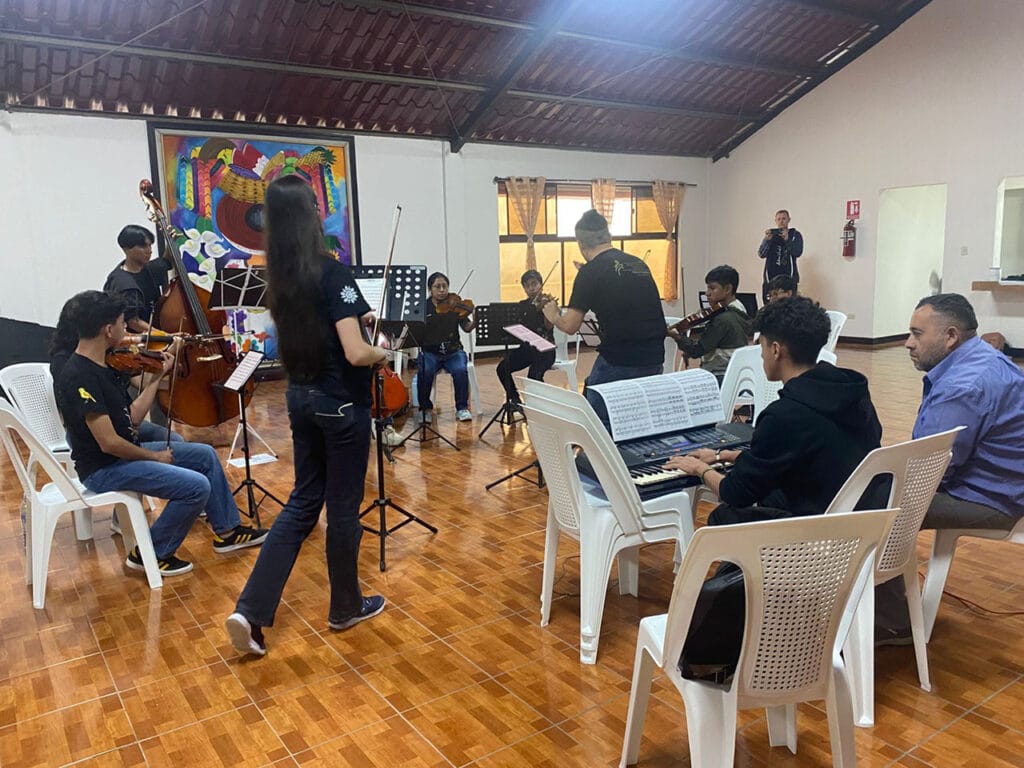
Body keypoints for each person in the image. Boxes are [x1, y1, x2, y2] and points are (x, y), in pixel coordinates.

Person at [226, 175, 390, 657]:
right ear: (310, 214)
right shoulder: (332, 272)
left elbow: (323, 326)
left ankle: (250, 611)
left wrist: (354, 321)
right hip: (340, 403)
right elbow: (356, 353)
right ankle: (345, 607)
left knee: (301, 504)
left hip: (300, 397)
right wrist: (385, 352)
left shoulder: (280, 278)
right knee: (343, 508)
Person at [55, 290, 268, 576]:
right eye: (122, 323)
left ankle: (228, 532)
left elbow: (130, 419)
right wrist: (154, 457)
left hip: (119, 457)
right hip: (103, 469)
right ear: (108, 330)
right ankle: (151, 553)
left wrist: (157, 376)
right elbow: (109, 443)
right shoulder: (79, 375)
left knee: (205, 455)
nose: (126, 329)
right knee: (196, 486)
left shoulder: (102, 364)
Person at [876, 293, 1024, 643]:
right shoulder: (985, 356)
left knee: (878, 505)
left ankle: (891, 621)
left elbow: (930, 469)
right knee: (883, 489)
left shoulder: (962, 386)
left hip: (993, 498)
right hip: (1003, 483)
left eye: (917, 334)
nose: (908, 343)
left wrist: (880, 481)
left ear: (951, 336)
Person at [664, 296, 884, 520]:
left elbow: (735, 493)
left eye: (762, 345)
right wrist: (724, 455)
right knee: (771, 494)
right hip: (861, 513)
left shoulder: (783, 415)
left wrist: (698, 468)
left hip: (819, 526)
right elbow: (791, 456)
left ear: (776, 350)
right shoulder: (852, 390)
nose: (761, 354)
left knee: (725, 515)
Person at [541, 209, 665, 422]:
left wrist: (553, 314)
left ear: (581, 244)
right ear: (608, 236)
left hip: (620, 359)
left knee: (597, 422)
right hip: (654, 357)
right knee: (637, 420)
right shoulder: (637, 263)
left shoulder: (590, 272)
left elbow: (570, 326)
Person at [671, 265, 752, 383]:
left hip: (718, 375)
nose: (707, 293)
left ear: (728, 289)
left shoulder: (723, 319)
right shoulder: (741, 309)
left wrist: (677, 337)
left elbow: (697, 351)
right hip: (735, 373)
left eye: (712, 288)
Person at [417, 272, 477, 423]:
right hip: (431, 352)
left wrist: (476, 319)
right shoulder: (423, 307)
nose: (442, 290)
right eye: (437, 286)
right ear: (430, 289)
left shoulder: (454, 305)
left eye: (445, 286)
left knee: (460, 370)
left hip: (453, 351)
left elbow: (467, 328)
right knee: (425, 370)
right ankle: (425, 409)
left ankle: (462, 408)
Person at [495, 269, 556, 409]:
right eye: (527, 286)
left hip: (545, 351)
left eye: (534, 284)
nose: (531, 288)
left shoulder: (549, 303)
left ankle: (542, 406)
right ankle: (515, 400)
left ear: (541, 285)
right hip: (527, 349)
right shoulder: (522, 306)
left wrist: (547, 310)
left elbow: (549, 326)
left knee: (533, 376)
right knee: (503, 368)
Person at [103, 225, 172, 334]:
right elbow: (133, 322)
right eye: (143, 246)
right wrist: (165, 336)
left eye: (150, 245)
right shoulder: (122, 283)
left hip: (154, 332)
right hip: (136, 339)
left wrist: (171, 241)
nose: (149, 251)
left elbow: (167, 260)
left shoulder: (148, 269)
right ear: (126, 249)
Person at [758, 209, 803, 305]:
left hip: (789, 279)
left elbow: (797, 252)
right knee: (769, 307)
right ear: (775, 221)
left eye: (783, 219)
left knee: (789, 307)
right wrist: (767, 241)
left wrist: (787, 240)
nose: (781, 221)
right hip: (770, 279)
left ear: (789, 220)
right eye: (778, 219)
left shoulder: (795, 235)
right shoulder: (771, 235)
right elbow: (761, 254)